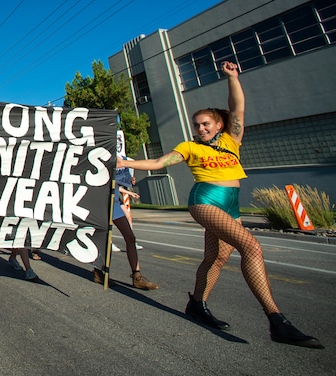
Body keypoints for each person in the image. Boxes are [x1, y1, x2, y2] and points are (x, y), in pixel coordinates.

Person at [118, 61, 322, 349]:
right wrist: (125, 161)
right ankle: (277, 320)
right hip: (206, 199)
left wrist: (232, 78)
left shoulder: (231, 140)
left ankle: (198, 305)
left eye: (205, 124)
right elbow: (158, 163)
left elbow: (237, 108)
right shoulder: (190, 147)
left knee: (217, 258)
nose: (200, 129)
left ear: (219, 125)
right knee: (251, 247)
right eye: (196, 125)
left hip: (232, 204)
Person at [92, 184, 158, 290]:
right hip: (101, 201)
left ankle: (137, 276)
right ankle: (99, 272)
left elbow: (118, 182)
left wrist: (128, 191)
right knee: (103, 238)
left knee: (130, 237)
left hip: (115, 203)